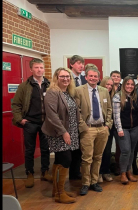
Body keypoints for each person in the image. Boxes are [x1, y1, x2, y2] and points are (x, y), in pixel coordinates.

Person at [11, 58, 52, 188]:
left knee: (46, 149)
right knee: (30, 150)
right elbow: (16, 104)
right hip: (30, 123)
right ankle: (29, 173)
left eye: (41, 67)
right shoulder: (25, 86)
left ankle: (45, 172)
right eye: (36, 68)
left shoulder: (49, 84)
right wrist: (20, 119)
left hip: (46, 123)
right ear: (31, 69)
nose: (39, 70)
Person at [42, 67, 79, 204]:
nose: (65, 79)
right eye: (62, 76)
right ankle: (59, 193)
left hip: (70, 131)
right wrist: (64, 132)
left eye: (67, 76)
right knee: (65, 160)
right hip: (59, 132)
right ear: (56, 78)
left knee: (59, 160)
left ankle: (57, 190)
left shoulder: (67, 92)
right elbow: (51, 115)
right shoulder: (52, 92)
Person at [74, 65, 113, 195]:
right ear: (86, 77)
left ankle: (94, 181)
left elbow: (109, 109)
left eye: (95, 76)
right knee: (86, 158)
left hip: (102, 128)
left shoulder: (104, 91)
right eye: (90, 76)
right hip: (88, 129)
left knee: (98, 157)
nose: (93, 78)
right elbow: (76, 111)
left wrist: (107, 124)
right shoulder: (79, 90)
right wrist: (82, 126)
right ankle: (85, 183)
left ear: (98, 78)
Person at [112, 76, 138, 184]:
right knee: (125, 150)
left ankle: (128, 171)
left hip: (135, 128)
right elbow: (116, 115)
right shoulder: (117, 97)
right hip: (123, 129)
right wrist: (119, 129)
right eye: (128, 84)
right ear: (124, 85)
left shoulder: (137, 97)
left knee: (132, 151)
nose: (130, 86)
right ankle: (122, 173)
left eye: (132, 84)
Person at [68, 55, 85, 180]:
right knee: (72, 148)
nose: (81, 66)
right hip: (70, 119)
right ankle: (72, 173)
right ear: (72, 64)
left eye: (82, 64)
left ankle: (77, 171)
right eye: (78, 63)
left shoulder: (84, 79)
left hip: (83, 119)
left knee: (80, 147)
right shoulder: (67, 79)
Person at [98, 76, 115, 183]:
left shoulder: (113, 96)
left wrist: (108, 125)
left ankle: (106, 171)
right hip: (98, 126)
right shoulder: (97, 94)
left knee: (107, 151)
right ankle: (98, 173)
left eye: (111, 85)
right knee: (99, 151)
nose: (109, 87)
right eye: (107, 84)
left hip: (109, 126)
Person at [110, 70, 123, 175]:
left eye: (118, 76)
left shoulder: (123, 88)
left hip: (119, 122)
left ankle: (119, 166)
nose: (116, 78)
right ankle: (107, 167)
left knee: (120, 146)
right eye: (114, 76)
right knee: (107, 146)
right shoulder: (107, 88)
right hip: (108, 122)